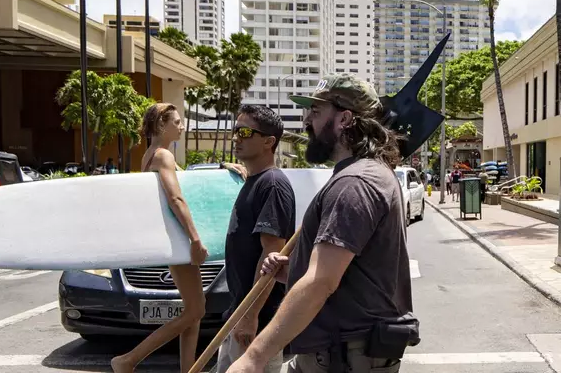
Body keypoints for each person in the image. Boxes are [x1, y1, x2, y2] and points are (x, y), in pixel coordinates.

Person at [226, 73, 418, 373]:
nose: (307, 122)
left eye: (316, 112)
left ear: (344, 120)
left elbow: (321, 281)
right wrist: (295, 270)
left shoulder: (355, 183)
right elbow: (344, 271)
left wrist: (254, 357)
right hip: (337, 351)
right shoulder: (360, 175)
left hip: (344, 356)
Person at [111, 103, 246, 373]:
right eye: (177, 121)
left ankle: (188, 369)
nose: (182, 126)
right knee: (195, 311)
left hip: (175, 241)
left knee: (194, 312)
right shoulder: (163, 156)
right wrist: (196, 239)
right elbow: (176, 198)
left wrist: (222, 166)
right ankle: (129, 360)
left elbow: (187, 183)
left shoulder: (151, 155)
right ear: (162, 125)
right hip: (181, 241)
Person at [214, 105, 296, 373]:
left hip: (257, 319)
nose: (237, 137)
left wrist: (250, 316)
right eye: (236, 130)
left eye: (246, 132)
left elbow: (271, 256)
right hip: (237, 314)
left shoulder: (272, 184)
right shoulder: (256, 180)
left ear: (269, 142)